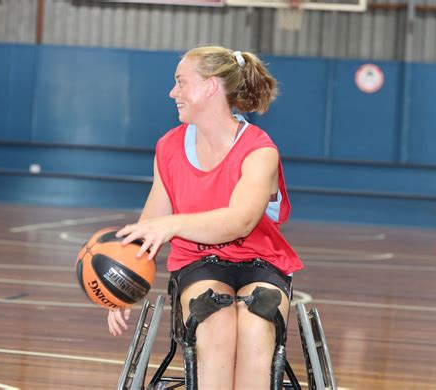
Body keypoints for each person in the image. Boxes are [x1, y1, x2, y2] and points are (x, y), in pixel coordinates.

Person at [108, 45, 303, 390]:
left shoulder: (260, 150)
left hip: (261, 262)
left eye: (181, 82)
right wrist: (124, 284)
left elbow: (239, 221)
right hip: (199, 262)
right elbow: (151, 224)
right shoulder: (169, 147)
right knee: (214, 322)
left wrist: (173, 224)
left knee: (258, 321)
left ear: (211, 86)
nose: (173, 92)